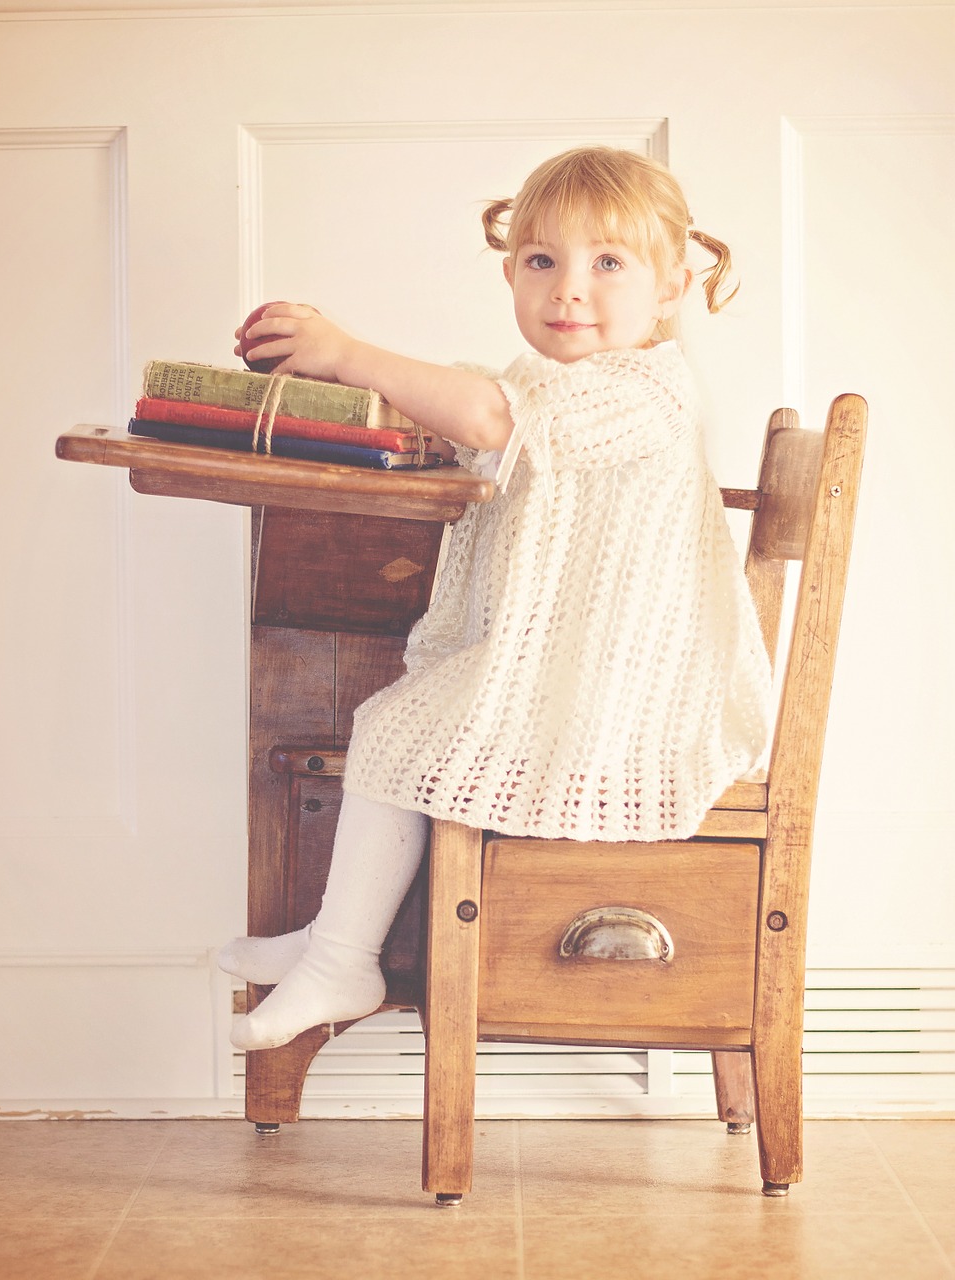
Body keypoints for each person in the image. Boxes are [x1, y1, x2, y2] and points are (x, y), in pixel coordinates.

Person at [219, 146, 773, 1051]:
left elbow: (488, 423)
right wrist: (358, 395)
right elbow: (476, 419)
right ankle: (333, 946)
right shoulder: (548, 382)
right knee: (391, 721)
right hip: (569, 669)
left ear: (671, 286)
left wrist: (352, 353)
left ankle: (341, 961)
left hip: (625, 694)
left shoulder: (647, 392)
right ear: (511, 270)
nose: (569, 291)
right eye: (541, 261)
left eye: (608, 264)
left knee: (400, 727)